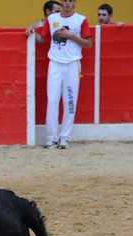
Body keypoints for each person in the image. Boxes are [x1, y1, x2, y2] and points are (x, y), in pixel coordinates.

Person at [35, 0, 92, 149]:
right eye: (65, 1)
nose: (67, 3)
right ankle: (52, 138)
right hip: (55, 63)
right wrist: (31, 32)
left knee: (70, 102)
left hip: (72, 64)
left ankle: (65, 137)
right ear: (62, 3)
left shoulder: (81, 19)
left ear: (74, 3)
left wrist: (71, 36)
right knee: (52, 100)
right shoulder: (52, 19)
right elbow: (42, 39)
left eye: (70, 1)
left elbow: (88, 44)